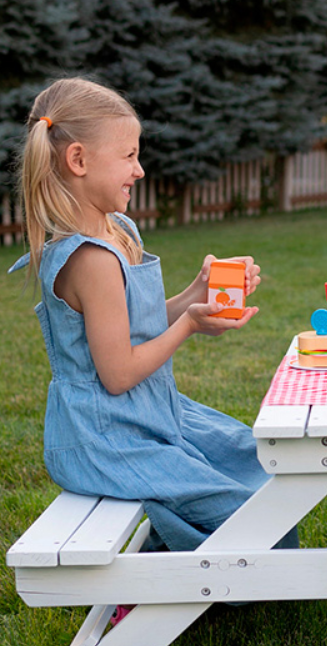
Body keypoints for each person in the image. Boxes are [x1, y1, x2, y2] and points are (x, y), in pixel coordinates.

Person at [9, 77, 298, 557]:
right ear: (77, 160)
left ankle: (173, 557)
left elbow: (134, 327)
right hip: (106, 439)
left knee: (256, 462)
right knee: (245, 509)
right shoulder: (89, 260)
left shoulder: (118, 230)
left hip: (151, 415)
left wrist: (195, 295)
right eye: (128, 156)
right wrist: (190, 325)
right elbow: (119, 373)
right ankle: (153, 578)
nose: (139, 170)